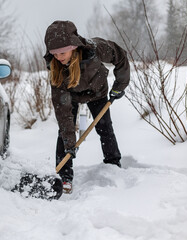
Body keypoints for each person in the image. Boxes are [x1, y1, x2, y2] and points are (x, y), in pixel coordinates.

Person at [43, 20, 130, 193]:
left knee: (105, 128)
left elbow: (120, 56)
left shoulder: (96, 49)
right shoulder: (56, 70)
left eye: (62, 52)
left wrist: (119, 86)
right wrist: (70, 143)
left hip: (97, 92)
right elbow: (63, 112)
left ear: (73, 46)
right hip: (71, 96)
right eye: (55, 54)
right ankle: (64, 176)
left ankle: (113, 164)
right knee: (64, 133)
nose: (59, 58)